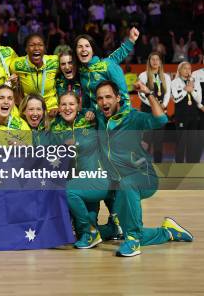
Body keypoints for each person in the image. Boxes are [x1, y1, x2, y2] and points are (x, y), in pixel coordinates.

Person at [89, 80, 193, 256]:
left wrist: (148, 94)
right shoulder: (99, 118)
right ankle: (167, 232)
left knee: (127, 188)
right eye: (100, 98)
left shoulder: (132, 117)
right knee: (132, 230)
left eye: (108, 97)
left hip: (144, 177)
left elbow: (161, 119)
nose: (104, 102)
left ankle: (133, 242)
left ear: (118, 98)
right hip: (119, 183)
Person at [54, 92, 121, 248]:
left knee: (85, 228)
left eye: (71, 104)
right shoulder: (55, 127)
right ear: (58, 107)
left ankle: (91, 230)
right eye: (63, 104)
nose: (67, 108)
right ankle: (113, 229)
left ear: (78, 106)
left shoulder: (91, 120)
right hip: (79, 184)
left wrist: (88, 112)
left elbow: (107, 110)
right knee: (78, 233)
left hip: (97, 179)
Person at [74, 27, 139, 111]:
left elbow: (116, 56)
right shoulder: (81, 71)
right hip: (93, 117)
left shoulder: (105, 64)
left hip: (111, 114)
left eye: (87, 46)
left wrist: (131, 40)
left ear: (93, 50)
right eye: (80, 46)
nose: (83, 49)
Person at [11, 34, 59, 116]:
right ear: (26, 49)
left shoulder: (55, 62)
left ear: (44, 48)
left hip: (51, 110)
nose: (36, 48)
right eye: (32, 45)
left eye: (40, 45)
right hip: (30, 111)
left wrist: (60, 107)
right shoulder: (16, 65)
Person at [138, 52, 172, 163]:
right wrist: (153, 104)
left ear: (160, 62)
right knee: (146, 139)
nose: (155, 61)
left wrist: (163, 105)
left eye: (157, 59)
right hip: (147, 111)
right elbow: (141, 94)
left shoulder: (166, 77)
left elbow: (167, 93)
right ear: (149, 61)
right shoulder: (143, 75)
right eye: (152, 59)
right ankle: (144, 165)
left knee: (159, 139)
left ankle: (158, 164)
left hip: (161, 111)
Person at [171, 61, 203, 163]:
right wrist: (185, 90)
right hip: (181, 116)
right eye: (185, 68)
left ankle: (190, 165)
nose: (187, 71)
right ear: (180, 70)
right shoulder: (174, 82)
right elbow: (175, 99)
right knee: (181, 142)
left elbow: (199, 99)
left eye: (189, 68)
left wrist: (191, 89)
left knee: (192, 143)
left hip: (194, 116)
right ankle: (179, 165)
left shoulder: (195, 82)